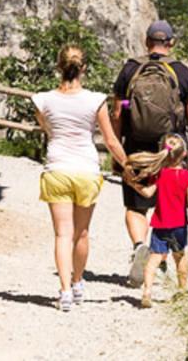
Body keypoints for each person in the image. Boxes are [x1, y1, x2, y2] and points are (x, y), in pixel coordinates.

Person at [33, 45, 130, 312]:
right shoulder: (95, 99)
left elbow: (47, 127)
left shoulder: (42, 100)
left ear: (58, 67)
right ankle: (77, 282)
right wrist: (128, 166)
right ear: (84, 68)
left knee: (62, 234)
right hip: (86, 170)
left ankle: (64, 291)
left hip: (57, 169)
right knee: (82, 233)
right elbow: (110, 140)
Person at [111, 20, 188, 287]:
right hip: (171, 149)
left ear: (146, 40)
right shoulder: (182, 73)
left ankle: (141, 245)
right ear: (171, 43)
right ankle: (162, 258)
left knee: (135, 205)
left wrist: (118, 153)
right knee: (169, 206)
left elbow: (117, 114)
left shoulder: (130, 70)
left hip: (136, 148)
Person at [124, 133, 188, 308]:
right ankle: (182, 291)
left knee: (154, 259)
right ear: (184, 154)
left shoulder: (160, 174)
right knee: (179, 257)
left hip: (160, 224)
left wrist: (133, 183)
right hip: (179, 225)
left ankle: (147, 292)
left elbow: (148, 193)